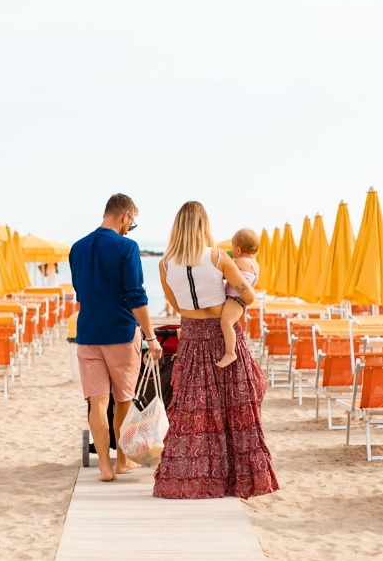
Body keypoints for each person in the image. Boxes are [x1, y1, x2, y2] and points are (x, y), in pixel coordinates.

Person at [153, 201, 278, 500]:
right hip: (223, 333)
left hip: (193, 336)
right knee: (234, 407)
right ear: (204, 226)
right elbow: (249, 294)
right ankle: (235, 479)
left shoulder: (164, 264)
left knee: (194, 410)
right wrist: (232, 303)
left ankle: (194, 480)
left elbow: (175, 302)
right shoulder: (219, 257)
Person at [70, 194, 163, 482]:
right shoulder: (127, 247)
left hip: (87, 334)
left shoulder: (77, 248)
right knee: (123, 399)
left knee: (97, 401)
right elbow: (136, 296)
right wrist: (151, 337)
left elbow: (80, 290)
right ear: (124, 215)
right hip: (121, 335)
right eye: (131, 222)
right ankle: (122, 461)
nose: (130, 228)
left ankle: (104, 468)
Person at [216, 228, 260, 368]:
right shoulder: (255, 264)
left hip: (235, 299)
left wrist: (223, 257)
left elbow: (224, 271)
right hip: (239, 300)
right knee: (227, 323)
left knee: (226, 323)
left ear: (239, 250)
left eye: (233, 248)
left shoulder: (240, 262)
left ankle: (230, 353)